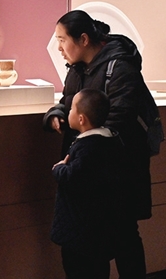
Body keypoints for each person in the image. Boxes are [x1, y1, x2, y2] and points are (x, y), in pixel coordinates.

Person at [44, 9, 153, 278]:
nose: (59, 48)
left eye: (62, 40)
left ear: (83, 39)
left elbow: (120, 117)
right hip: (89, 169)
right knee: (93, 241)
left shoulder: (120, 67)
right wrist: (57, 113)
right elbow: (70, 101)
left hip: (117, 171)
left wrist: (85, 150)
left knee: (124, 236)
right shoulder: (76, 69)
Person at [51, 88, 122, 279]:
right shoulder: (111, 141)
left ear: (81, 119)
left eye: (72, 109)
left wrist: (59, 169)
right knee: (99, 269)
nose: (69, 112)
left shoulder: (88, 147)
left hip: (80, 231)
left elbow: (73, 176)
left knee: (78, 269)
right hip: (100, 228)